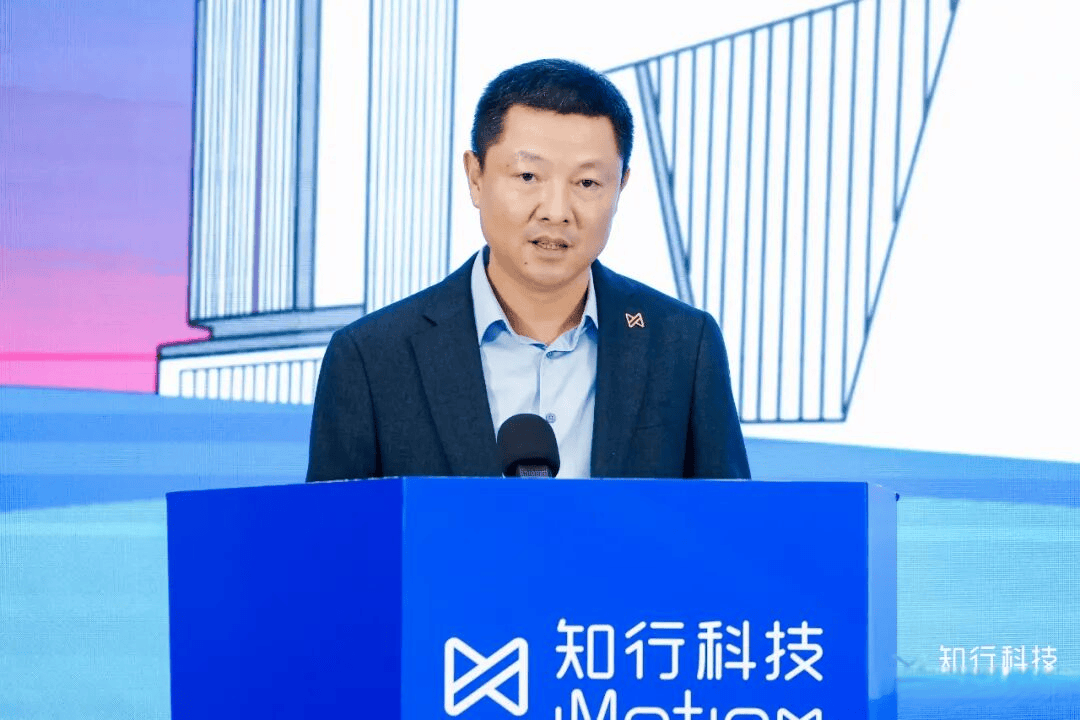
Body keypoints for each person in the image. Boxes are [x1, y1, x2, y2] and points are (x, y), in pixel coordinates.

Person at [306, 58, 750, 482]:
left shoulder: (682, 345)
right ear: (475, 177)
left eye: (587, 182)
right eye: (527, 177)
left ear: (620, 188)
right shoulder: (371, 357)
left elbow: (730, 525)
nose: (556, 211)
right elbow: (334, 531)